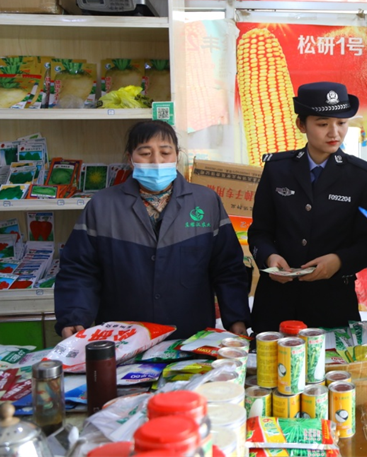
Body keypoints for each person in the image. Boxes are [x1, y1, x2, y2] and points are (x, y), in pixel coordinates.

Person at [55, 121, 251, 340]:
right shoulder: (102, 205)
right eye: (145, 153)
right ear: (130, 158)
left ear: (177, 156)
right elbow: (79, 269)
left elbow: (227, 267)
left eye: (165, 153)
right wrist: (73, 317)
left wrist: (236, 318)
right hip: (123, 335)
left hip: (190, 335)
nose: (156, 161)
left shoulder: (205, 201)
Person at [248, 82, 367, 332]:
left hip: (332, 302)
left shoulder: (362, 177)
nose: (334, 133)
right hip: (276, 302)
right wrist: (269, 257)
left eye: (341, 123)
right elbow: (259, 232)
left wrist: (338, 261)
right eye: (322, 124)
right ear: (302, 125)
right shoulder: (277, 170)